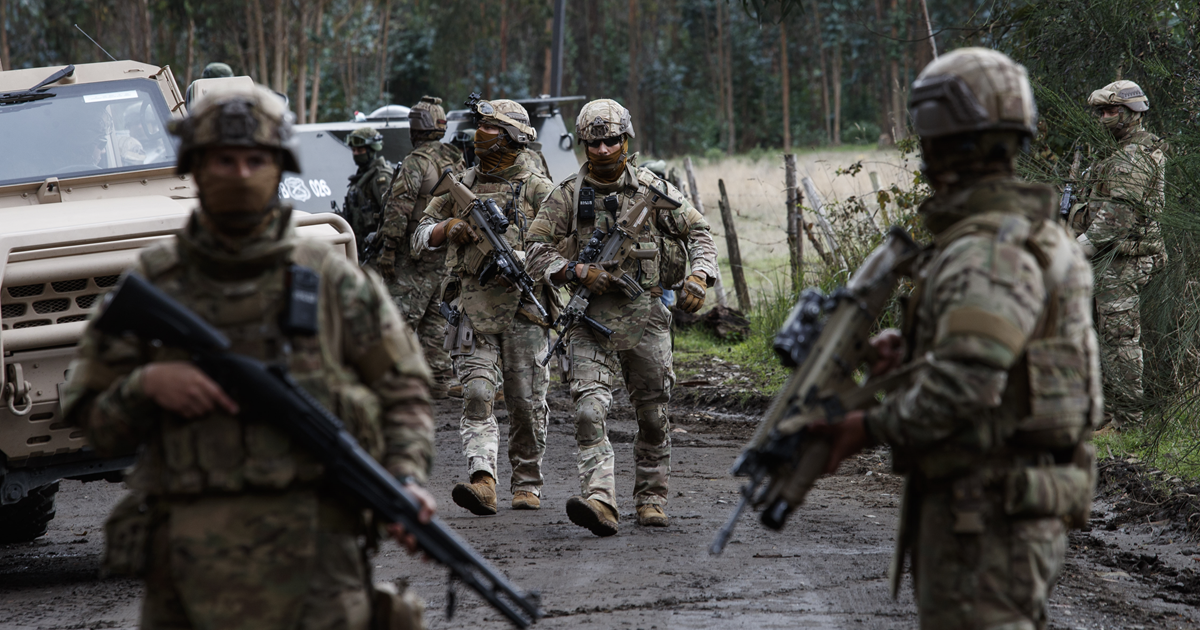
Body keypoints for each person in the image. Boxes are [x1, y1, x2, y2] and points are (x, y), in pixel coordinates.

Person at [60, 83, 437, 630]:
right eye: (223, 159)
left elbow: (403, 389)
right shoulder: (156, 283)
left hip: (318, 571)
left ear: (279, 166)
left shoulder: (329, 278)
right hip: (189, 575)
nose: (239, 174)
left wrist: (403, 479)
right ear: (195, 165)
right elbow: (88, 412)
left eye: (255, 160)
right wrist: (146, 386)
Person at [815, 48, 1099, 629]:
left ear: (938, 139)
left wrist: (865, 427)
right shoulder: (1029, 233)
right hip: (1004, 504)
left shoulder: (986, 250)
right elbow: (1002, 361)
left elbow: (967, 382)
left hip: (984, 512)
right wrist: (915, 359)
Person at [525, 98, 718, 536]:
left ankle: (651, 497)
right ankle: (601, 499)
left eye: (612, 140)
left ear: (626, 140)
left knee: (652, 414)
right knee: (589, 411)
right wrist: (574, 270)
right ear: (583, 144)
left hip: (646, 315)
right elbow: (535, 250)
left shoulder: (654, 190)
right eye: (594, 142)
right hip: (588, 319)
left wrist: (699, 278)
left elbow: (700, 231)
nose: (604, 150)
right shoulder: (567, 195)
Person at [412, 98, 554, 515]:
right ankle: (483, 480)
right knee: (476, 392)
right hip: (472, 308)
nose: (480, 133)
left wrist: (523, 260)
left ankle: (527, 483)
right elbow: (418, 236)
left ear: (511, 136)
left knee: (526, 403)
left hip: (524, 312)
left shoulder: (540, 189)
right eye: (479, 125)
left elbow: (562, 249)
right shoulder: (461, 184)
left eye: (489, 127)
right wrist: (447, 227)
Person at [1070, 80, 1166, 427]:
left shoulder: (1132, 156)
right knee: (1107, 337)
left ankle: (1128, 421)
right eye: (1101, 112)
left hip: (1123, 259)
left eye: (1111, 111)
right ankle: (1109, 415)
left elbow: (1119, 214)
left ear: (1130, 113)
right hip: (1113, 259)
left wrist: (1081, 246)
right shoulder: (1121, 151)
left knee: (1120, 339)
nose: (1104, 118)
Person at [375, 96, 465, 400]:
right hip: (447, 250)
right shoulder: (457, 158)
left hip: (417, 254)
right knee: (435, 320)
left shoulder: (416, 161)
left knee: (398, 318)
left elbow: (399, 207)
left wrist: (388, 248)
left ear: (415, 128)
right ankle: (439, 380)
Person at [343, 126, 395, 246]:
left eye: (360, 151)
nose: (356, 154)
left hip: (376, 248)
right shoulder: (362, 176)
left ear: (372, 150)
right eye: (354, 150)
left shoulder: (380, 177)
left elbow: (393, 214)